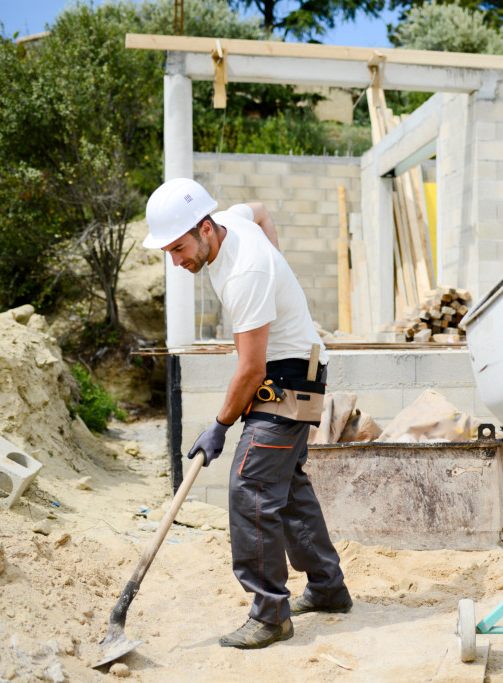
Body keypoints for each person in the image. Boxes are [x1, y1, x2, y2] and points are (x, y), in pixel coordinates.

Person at [144, 177, 353, 649]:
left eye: (179, 248)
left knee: (251, 487)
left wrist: (218, 426)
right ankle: (327, 589)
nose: (178, 262)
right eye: (170, 253)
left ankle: (270, 616)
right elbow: (259, 209)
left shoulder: (246, 275)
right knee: (288, 487)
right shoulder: (233, 222)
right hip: (293, 371)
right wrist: (281, 266)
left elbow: (250, 368)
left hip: (286, 380)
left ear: (205, 228)